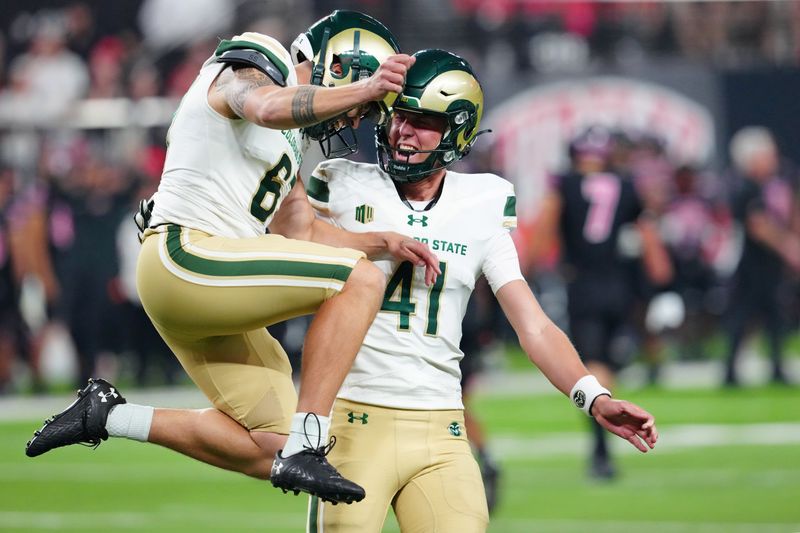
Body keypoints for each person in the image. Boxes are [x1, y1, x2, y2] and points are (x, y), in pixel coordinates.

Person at [24, 10, 440, 506]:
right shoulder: (262, 56)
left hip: (209, 282)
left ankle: (107, 415)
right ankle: (312, 440)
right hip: (186, 254)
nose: (355, 120)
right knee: (360, 283)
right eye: (364, 107)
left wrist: (382, 242)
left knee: (271, 447)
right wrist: (366, 90)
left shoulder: (291, 143)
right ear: (345, 65)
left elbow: (302, 232)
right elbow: (263, 106)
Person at [300, 49, 658, 532]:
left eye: (423, 120)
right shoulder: (344, 184)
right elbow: (284, 236)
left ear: (457, 132)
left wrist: (593, 396)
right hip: (354, 424)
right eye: (399, 115)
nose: (404, 130)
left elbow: (532, 324)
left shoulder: (483, 202)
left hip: (444, 431)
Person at [529, 126, 672, 480]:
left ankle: (600, 450)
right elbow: (649, 236)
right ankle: (603, 445)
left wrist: (529, 267)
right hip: (619, 285)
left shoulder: (563, 185)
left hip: (583, 284)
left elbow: (543, 232)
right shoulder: (625, 184)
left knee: (592, 367)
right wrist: (662, 279)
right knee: (606, 364)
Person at [723, 126, 800, 386]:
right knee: (742, 316)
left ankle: (777, 367)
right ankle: (730, 371)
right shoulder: (743, 186)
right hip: (750, 264)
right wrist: (789, 246)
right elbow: (758, 225)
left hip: (772, 263)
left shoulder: (781, 180)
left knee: (776, 316)